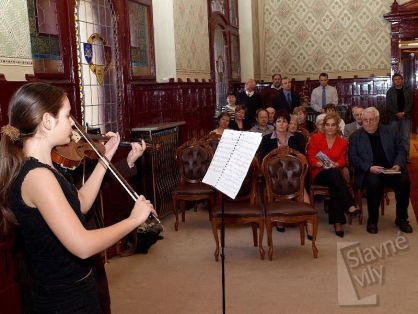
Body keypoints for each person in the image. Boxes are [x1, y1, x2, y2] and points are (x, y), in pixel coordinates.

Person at [0, 83, 156, 313]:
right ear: (47, 121)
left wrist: (105, 160)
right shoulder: (37, 176)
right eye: (67, 115)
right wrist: (133, 221)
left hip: (75, 288)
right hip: (63, 299)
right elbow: (82, 245)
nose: (73, 122)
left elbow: (80, 203)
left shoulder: (47, 167)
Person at [348, 107, 413, 234]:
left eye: (371, 120)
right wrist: (369, 167)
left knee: (404, 181)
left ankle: (402, 219)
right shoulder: (356, 136)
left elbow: (401, 150)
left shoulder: (390, 131)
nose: (368, 123)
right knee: (373, 183)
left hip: (391, 169)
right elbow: (353, 158)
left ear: (377, 120)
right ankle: (372, 220)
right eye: (365, 120)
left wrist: (398, 164)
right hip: (370, 171)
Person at [307, 113, 360, 237]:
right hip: (319, 173)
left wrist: (336, 164)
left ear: (337, 127)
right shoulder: (315, 138)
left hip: (334, 173)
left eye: (333, 125)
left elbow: (342, 160)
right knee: (336, 177)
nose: (330, 127)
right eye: (327, 125)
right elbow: (310, 156)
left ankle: (338, 222)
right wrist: (319, 164)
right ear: (324, 126)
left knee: (335, 182)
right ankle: (349, 204)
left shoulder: (342, 142)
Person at [385, 73, 413, 162]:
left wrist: (404, 112)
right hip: (393, 117)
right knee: (393, 137)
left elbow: (410, 103)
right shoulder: (390, 92)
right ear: (393, 81)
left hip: (406, 116)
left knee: (405, 138)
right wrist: (397, 113)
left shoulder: (408, 91)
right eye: (395, 79)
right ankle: (394, 156)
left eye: (399, 79)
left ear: (402, 80)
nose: (397, 80)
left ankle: (406, 157)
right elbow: (388, 105)